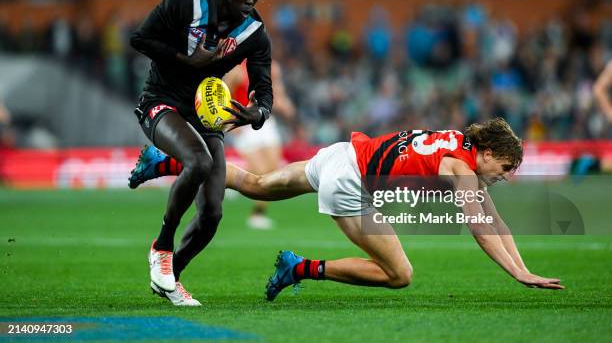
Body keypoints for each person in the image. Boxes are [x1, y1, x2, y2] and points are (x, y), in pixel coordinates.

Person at [129, 118, 565, 300]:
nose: (505, 176)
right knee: (400, 275)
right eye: (505, 167)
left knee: (257, 184)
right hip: (350, 183)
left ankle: (165, 162)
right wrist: (517, 274)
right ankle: (298, 268)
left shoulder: (461, 146)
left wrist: (522, 267)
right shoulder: (461, 168)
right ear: (487, 152)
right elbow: (481, 226)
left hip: (342, 155)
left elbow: (494, 219)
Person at [129, 0, 273, 306]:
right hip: (160, 100)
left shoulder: (253, 32)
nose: (251, 0)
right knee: (198, 161)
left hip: (204, 114)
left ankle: (169, 278)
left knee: (212, 213)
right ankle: (161, 246)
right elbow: (140, 39)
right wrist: (186, 60)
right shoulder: (185, 1)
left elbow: (264, 86)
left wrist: (258, 112)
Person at [224, 59, 296, 229]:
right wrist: (229, 123)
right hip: (245, 124)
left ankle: (257, 213)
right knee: (260, 173)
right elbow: (224, 96)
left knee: (271, 171)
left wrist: (285, 106)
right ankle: (229, 179)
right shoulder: (237, 69)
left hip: (265, 120)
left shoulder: (272, 66)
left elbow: (276, 92)